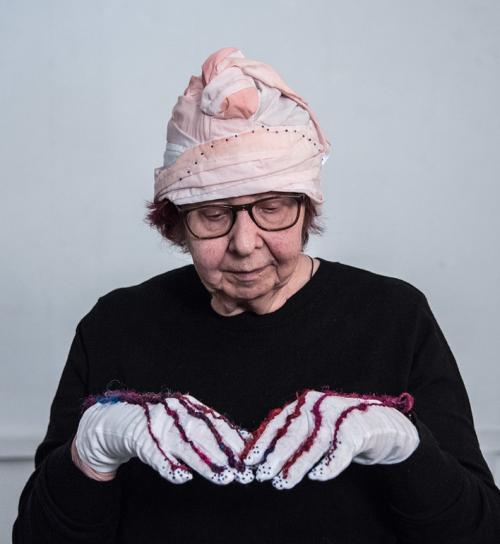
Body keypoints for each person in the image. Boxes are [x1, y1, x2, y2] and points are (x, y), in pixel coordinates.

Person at [13, 47, 500, 544]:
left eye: (271, 208)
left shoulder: (395, 316)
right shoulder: (115, 326)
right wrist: (91, 452)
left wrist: (404, 446)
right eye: (213, 215)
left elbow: (479, 531)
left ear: (306, 209)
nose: (245, 245)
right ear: (178, 227)